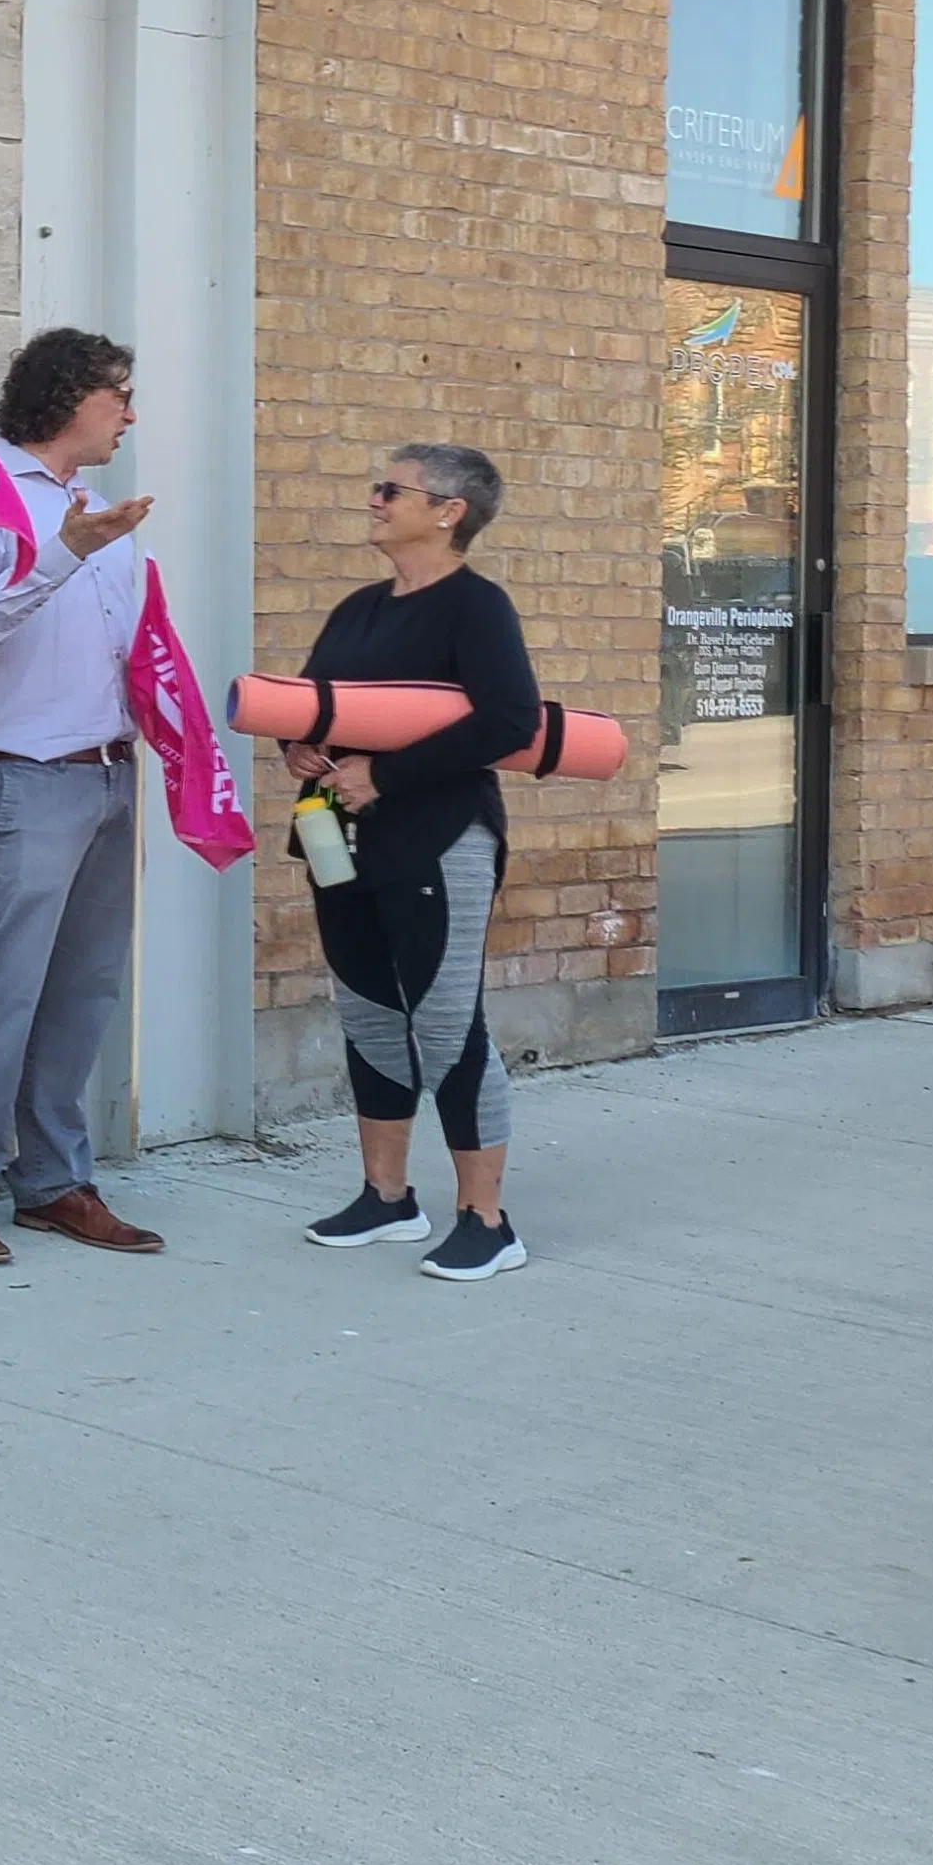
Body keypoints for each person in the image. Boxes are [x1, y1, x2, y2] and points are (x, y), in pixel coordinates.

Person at [0, 327, 172, 1267]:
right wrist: (62, 551)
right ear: (68, 398)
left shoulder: (99, 508)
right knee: (6, 988)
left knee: (86, 989)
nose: (130, 414)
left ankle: (54, 1182)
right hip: (24, 776)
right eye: (119, 394)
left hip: (109, 772)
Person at [285, 443, 541, 1282]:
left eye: (389, 489)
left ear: (447, 510)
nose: (373, 500)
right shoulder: (360, 608)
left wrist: (383, 774)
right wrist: (303, 746)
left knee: (443, 1021)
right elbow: (315, 698)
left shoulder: (476, 608)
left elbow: (508, 719)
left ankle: (487, 1220)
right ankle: (387, 1197)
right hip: (338, 836)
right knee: (365, 1010)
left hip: (439, 837)